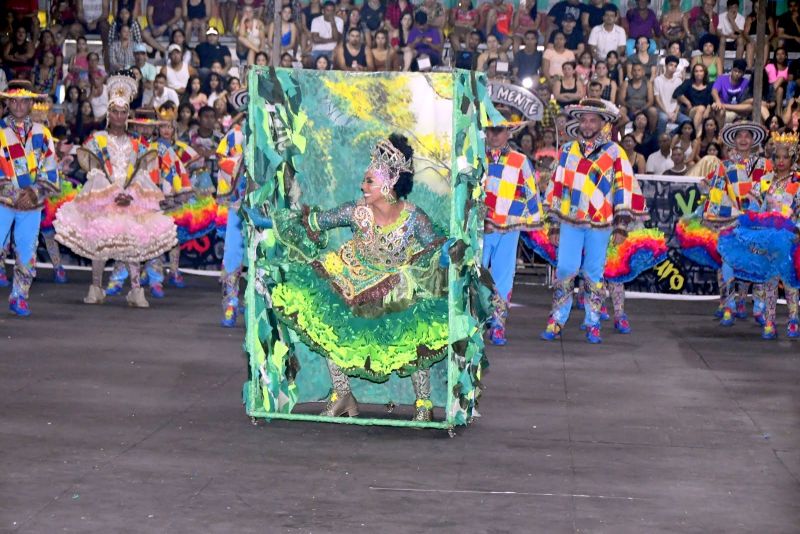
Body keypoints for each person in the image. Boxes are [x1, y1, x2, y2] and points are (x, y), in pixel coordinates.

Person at [269, 134, 452, 422]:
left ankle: (424, 404)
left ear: (389, 182)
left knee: (417, 329)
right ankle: (342, 395)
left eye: (369, 181)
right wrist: (274, 222)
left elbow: (436, 248)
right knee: (330, 320)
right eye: (365, 181)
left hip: (397, 292)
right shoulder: (357, 212)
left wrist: (449, 253)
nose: (362, 186)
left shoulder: (415, 218)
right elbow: (316, 222)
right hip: (353, 280)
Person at [54, 75, 178, 308]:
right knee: (100, 240)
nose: (119, 116)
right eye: (115, 111)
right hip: (104, 196)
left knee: (133, 243)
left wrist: (129, 194)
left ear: (128, 115)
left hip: (130, 197)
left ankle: (136, 290)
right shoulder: (96, 140)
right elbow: (94, 173)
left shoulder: (138, 143)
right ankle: (96, 287)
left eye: (123, 112)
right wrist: (112, 194)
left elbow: (142, 173)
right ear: (108, 113)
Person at [541, 99, 645, 343]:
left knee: (593, 273)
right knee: (565, 268)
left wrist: (621, 225)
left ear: (602, 123)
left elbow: (623, 188)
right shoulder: (567, 150)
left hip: (601, 223)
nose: (587, 124)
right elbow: (557, 188)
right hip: (570, 220)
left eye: (592, 120)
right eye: (584, 119)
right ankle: (557, 319)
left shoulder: (614, 152)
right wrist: (554, 223)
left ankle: (593, 321)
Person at [717, 131, 800, 339]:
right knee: (769, 279)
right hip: (767, 237)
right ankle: (770, 322)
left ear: (793, 158)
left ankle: (793, 319)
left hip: (790, 236)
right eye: (777, 157)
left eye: (785, 157)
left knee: (789, 281)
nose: (781, 161)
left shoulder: (798, 181)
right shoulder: (765, 181)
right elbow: (756, 206)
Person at [702, 120, 772, 325]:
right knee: (728, 261)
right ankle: (729, 306)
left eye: (747, 135)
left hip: (757, 223)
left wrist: (755, 213)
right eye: (739, 135)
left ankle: (759, 308)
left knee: (760, 262)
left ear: (753, 140)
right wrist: (729, 212)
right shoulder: (724, 166)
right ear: (733, 140)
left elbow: (769, 193)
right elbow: (716, 193)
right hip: (731, 221)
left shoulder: (766, 165)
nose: (743, 139)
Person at [482, 112, 543, 345]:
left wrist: (535, 221)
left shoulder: (519, 160)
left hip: (509, 227)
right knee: (475, 274)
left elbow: (531, 190)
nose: (494, 134)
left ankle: (498, 325)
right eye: (490, 129)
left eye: (499, 130)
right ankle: (475, 323)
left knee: (504, 278)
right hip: (480, 228)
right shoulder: (476, 157)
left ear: (508, 133)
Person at [0, 81, 59, 317]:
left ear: (31, 103)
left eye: (24, 100)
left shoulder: (42, 134)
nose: (19, 105)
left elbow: (50, 168)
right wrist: (13, 193)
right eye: (14, 100)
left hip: (31, 204)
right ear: (6, 103)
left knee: (27, 250)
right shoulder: (1, 132)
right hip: (3, 202)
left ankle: (20, 296)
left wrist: (33, 192)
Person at [653, 55, 690, 134]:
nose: (673, 67)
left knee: (687, 121)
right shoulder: (658, 80)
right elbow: (657, 99)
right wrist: (667, 112)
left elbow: (679, 100)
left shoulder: (678, 81)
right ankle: (660, 141)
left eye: (675, 66)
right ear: (666, 66)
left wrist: (675, 113)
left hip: (675, 111)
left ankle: (671, 136)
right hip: (662, 110)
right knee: (663, 119)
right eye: (671, 65)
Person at [675, 63, 714, 135]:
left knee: (703, 109)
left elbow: (712, 100)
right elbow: (677, 93)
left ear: (705, 73)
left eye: (701, 71)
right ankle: (696, 135)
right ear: (693, 73)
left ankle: (699, 135)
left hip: (704, 111)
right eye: (696, 71)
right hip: (690, 110)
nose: (698, 73)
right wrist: (687, 102)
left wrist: (708, 109)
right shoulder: (688, 83)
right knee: (701, 108)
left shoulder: (710, 85)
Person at [712, 59, 753, 126]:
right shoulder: (722, 79)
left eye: (740, 72)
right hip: (723, 109)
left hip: (737, 109)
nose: (737, 74)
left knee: (750, 107)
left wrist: (724, 105)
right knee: (721, 110)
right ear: (732, 69)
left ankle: (725, 106)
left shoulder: (746, 82)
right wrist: (718, 101)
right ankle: (719, 133)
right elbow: (714, 91)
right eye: (735, 71)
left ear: (743, 73)